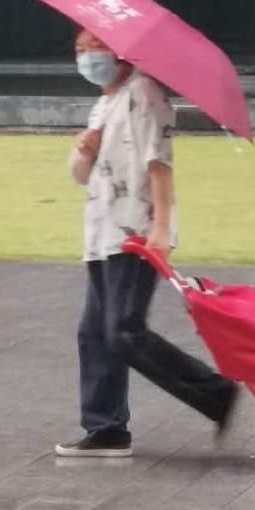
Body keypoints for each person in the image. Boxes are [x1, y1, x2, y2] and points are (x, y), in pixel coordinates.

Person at [55, 28, 238, 457]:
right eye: (79, 51)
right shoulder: (105, 103)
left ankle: (218, 394)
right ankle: (106, 429)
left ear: (118, 51)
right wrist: (84, 149)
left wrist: (160, 227)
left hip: (134, 234)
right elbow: (82, 176)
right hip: (102, 234)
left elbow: (159, 162)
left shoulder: (143, 93)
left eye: (93, 49)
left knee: (123, 331)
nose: (85, 58)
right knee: (95, 333)